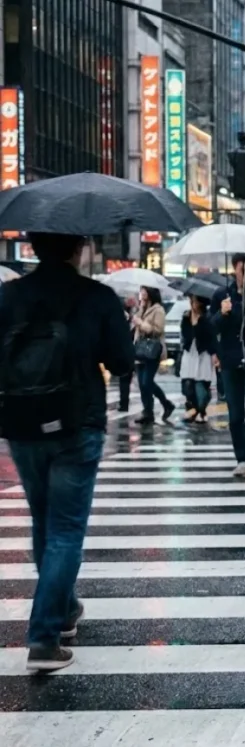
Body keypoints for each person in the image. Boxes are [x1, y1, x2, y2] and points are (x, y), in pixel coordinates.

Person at [0, 232, 134, 671]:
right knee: (66, 529)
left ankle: (65, 605)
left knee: (44, 521)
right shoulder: (96, 296)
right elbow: (121, 362)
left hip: (21, 424)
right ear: (78, 247)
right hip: (78, 423)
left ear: (34, 247)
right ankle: (43, 637)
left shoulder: (9, 296)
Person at [211, 254, 245, 478]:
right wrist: (221, 313)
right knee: (235, 413)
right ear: (235, 269)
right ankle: (241, 458)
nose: (244, 274)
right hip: (230, 359)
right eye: (241, 269)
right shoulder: (222, 295)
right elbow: (210, 327)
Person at [133, 286, 175, 425]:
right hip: (140, 350)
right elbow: (136, 327)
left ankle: (166, 403)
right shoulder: (142, 308)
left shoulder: (158, 310)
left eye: (144, 291)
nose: (142, 293)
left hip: (152, 350)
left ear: (150, 293)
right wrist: (138, 314)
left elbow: (158, 330)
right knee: (142, 383)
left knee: (147, 382)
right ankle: (148, 412)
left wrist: (141, 324)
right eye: (141, 291)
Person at [179, 295, 216, 424]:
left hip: (203, 354)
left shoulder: (207, 318)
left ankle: (202, 410)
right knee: (188, 384)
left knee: (201, 384)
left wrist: (198, 323)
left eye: (194, 301)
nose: (192, 304)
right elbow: (185, 334)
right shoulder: (186, 317)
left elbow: (209, 336)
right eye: (191, 301)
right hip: (190, 353)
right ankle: (193, 409)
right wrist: (191, 323)